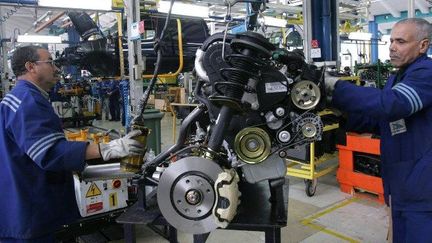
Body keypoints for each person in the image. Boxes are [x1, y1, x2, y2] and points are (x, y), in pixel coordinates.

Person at [0, 45, 145, 242]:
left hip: (20, 200)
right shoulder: (28, 101)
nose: (56, 68)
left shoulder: (17, 98)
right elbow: (49, 152)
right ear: (31, 67)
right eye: (50, 62)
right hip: (32, 211)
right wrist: (108, 148)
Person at [326, 18, 432, 242]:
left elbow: (391, 105)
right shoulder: (397, 76)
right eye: (391, 40)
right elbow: (382, 120)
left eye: (401, 41)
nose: (393, 47)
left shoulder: (426, 73)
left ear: (423, 45)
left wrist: (336, 87)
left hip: (424, 190)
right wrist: (340, 113)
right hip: (400, 184)